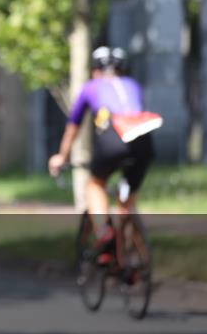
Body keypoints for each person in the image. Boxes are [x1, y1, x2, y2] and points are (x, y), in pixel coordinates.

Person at [49, 46, 162, 251]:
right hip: (144, 139)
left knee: (95, 184)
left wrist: (62, 156)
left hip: (113, 138)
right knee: (127, 200)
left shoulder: (90, 87)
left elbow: (73, 127)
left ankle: (104, 232)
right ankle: (131, 253)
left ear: (95, 71)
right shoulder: (133, 85)